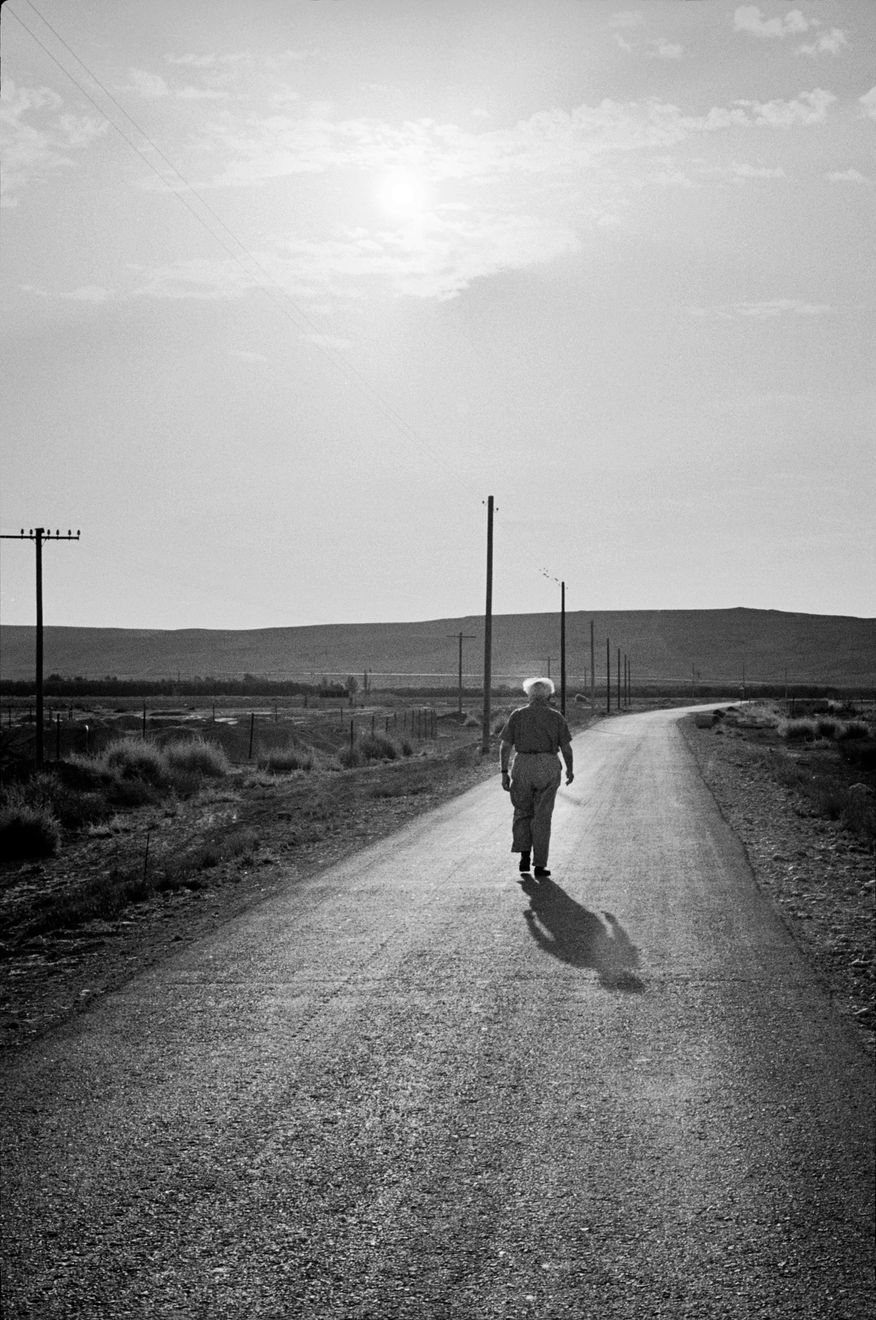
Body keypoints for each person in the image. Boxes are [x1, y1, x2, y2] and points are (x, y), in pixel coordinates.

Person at [499, 677, 574, 878]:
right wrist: (570, 769)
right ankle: (540, 865)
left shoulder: (517, 715)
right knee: (542, 817)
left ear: (529, 695)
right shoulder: (556, 717)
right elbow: (566, 747)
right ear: (548, 695)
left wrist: (504, 772)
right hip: (548, 765)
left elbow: (505, 746)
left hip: (523, 764)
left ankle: (524, 856)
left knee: (523, 811)